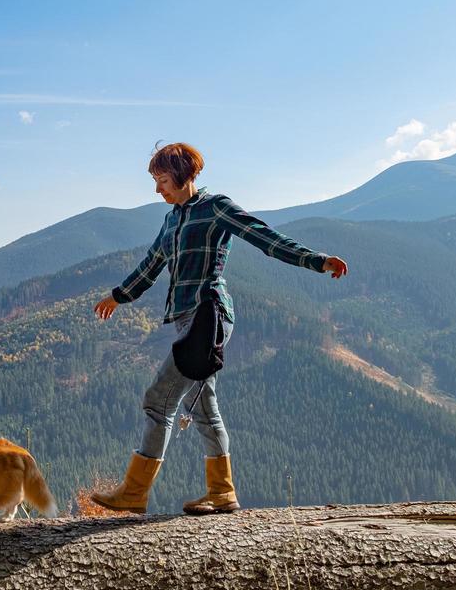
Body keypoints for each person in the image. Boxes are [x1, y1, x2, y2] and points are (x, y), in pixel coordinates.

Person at [90, 142, 348, 515]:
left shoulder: (215, 207)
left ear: (182, 175)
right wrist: (118, 296)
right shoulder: (172, 219)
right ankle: (221, 492)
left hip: (207, 316)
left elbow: (265, 238)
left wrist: (318, 261)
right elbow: (151, 266)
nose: (157, 189)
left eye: (162, 180)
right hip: (184, 321)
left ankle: (134, 492)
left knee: (158, 400)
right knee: (200, 403)